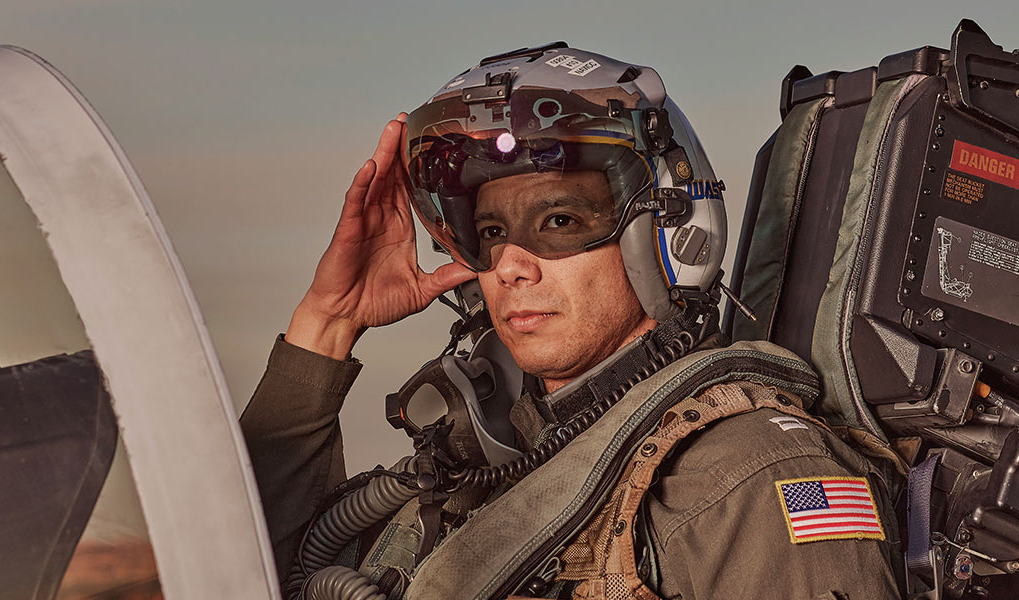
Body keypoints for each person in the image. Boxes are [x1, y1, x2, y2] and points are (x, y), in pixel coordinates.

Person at [239, 43, 904, 600]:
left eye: (559, 222)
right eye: (492, 230)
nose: (511, 265)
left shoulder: (750, 477)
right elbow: (247, 572)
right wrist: (327, 326)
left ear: (666, 235)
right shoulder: (482, 464)